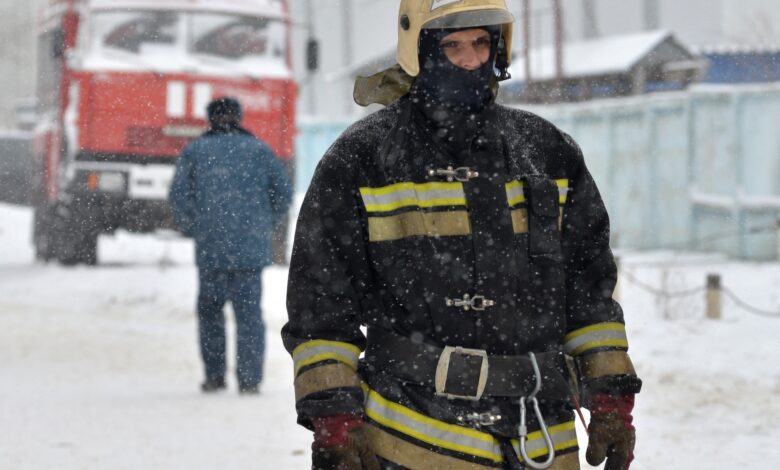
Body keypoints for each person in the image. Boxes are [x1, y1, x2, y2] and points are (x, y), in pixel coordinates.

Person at [283, 1, 641, 468]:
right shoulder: (364, 157)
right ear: (420, 49)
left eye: (481, 42)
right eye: (452, 45)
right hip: (410, 439)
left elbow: (590, 293)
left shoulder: (548, 152)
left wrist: (612, 399)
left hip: (543, 439)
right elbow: (321, 308)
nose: (471, 59)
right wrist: (334, 418)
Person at [170, 97, 292, 395]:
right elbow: (283, 194)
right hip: (250, 251)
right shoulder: (260, 151)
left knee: (211, 313)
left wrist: (195, 228)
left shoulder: (196, 152)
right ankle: (250, 380)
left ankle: (214, 376)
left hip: (211, 250)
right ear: (239, 117)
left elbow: (179, 197)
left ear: (210, 119)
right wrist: (264, 226)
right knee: (249, 316)